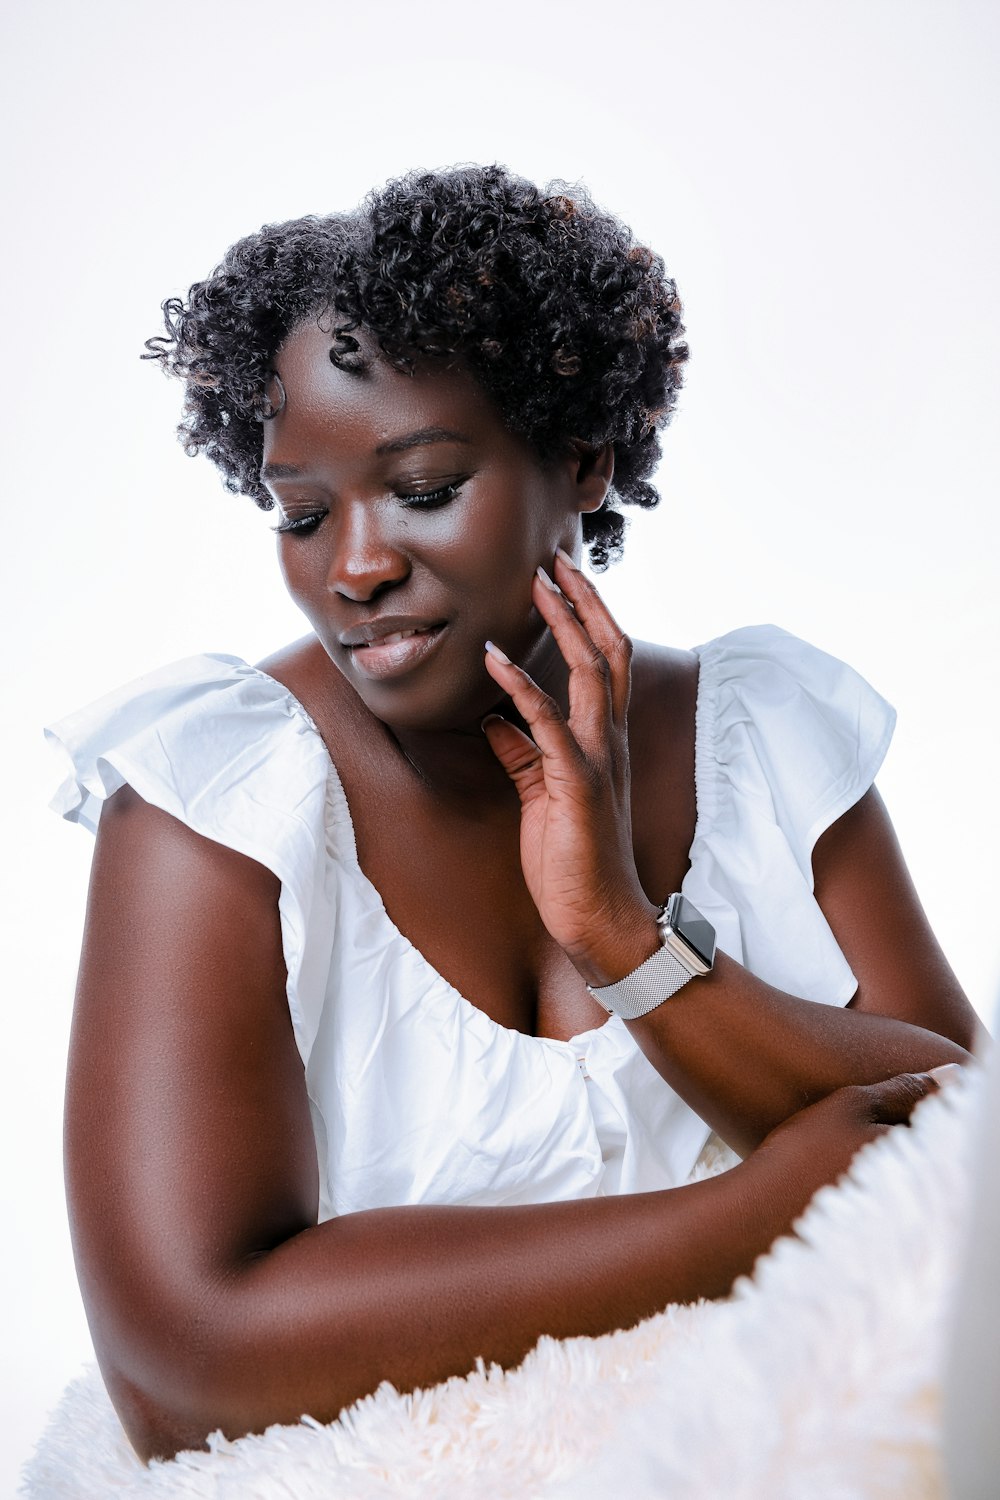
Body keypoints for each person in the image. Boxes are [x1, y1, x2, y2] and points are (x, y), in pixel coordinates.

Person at [49, 165, 978, 1465]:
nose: (356, 566)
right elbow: (183, 1357)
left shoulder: (762, 733)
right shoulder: (221, 797)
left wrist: (627, 945)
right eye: (303, 514)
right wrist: (746, 1223)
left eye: (422, 486)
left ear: (581, 463)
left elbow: (961, 1142)